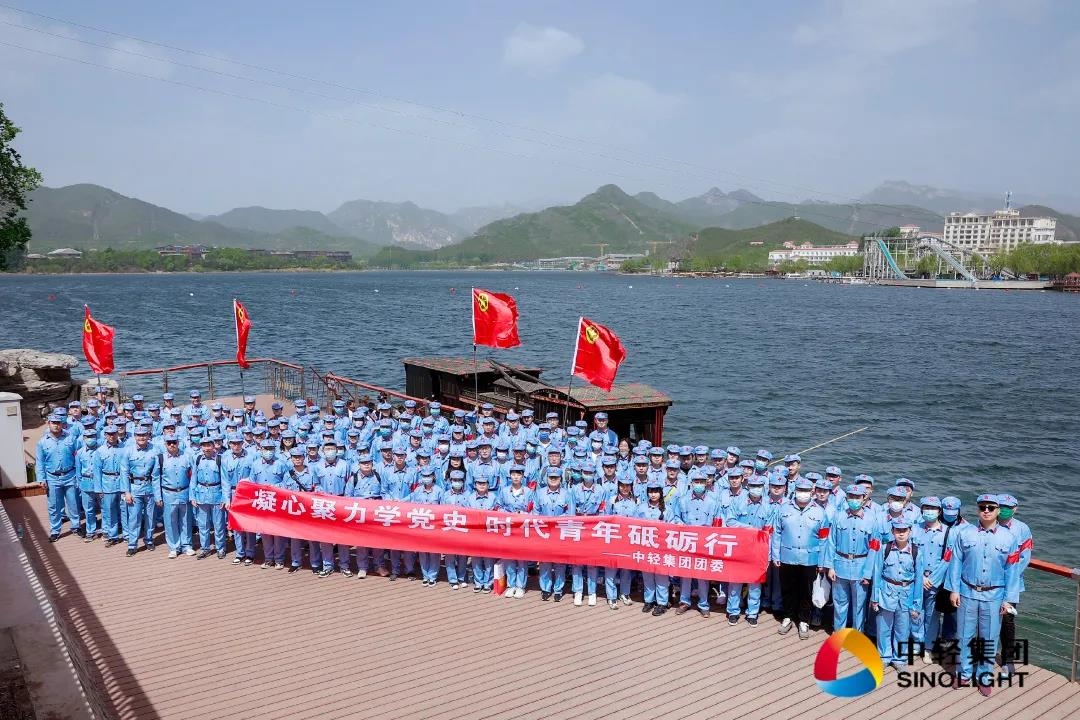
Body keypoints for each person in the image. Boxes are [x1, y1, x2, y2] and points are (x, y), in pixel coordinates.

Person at [946, 494, 1021, 696]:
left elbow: (1012, 571)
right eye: (982, 507)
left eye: (990, 507)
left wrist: (1008, 600)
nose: (986, 511)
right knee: (963, 635)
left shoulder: (1009, 538)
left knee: (989, 638)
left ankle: (984, 676)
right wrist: (954, 589)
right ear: (978, 510)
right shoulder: (964, 533)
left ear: (998, 511)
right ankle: (963, 673)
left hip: (994, 596)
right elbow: (956, 562)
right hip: (967, 592)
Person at [773, 477, 828, 640]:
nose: (802, 494)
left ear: (812, 492)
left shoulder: (820, 512)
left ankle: (804, 620)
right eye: (800, 490)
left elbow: (824, 539)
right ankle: (788, 616)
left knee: (806, 590)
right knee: (787, 588)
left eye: (806, 491)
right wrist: (775, 555)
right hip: (787, 556)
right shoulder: (783, 508)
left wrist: (822, 562)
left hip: (810, 558)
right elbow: (777, 533)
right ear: (795, 491)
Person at [821, 484, 877, 633]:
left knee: (859, 606)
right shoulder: (839, 516)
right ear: (846, 498)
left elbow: (873, 549)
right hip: (840, 565)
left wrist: (868, 573)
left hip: (861, 567)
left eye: (857, 497)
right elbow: (831, 542)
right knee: (840, 603)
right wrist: (830, 566)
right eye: (851, 496)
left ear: (864, 498)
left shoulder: (872, 520)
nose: (854, 500)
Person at [870, 518, 923, 672]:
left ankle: (899, 658)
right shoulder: (884, 549)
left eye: (904, 530)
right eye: (898, 530)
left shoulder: (916, 552)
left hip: (906, 595)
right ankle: (884, 656)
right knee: (884, 628)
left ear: (910, 532)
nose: (901, 534)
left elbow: (919, 580)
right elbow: (877, 574)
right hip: (887, 593)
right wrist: (875, 598)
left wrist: (916, 604)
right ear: (892, 531)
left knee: (902, 629)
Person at [674, 472, 722, 619]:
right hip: (687, 541)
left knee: (703, 575)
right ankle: (684, 601)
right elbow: (676, 516)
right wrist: (679, 523)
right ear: (691, 483)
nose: (699, 484)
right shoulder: (682, 500)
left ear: (706, 483)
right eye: (696, 481)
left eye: (702, 481)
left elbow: (718, 522)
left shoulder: (713, 501)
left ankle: (704, 604)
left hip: (704, 542)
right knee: (686, 573)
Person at [724, 476, 771, 626]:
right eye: (753, 486)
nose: (756, 489)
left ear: (763, 487)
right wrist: (748, 529)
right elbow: (729, 521)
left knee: (755, 584)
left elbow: (769, 531)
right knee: (735, 582)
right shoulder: (737, 501)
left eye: (759, 486)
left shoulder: (768, 505)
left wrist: (768, 555)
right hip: (739, 548)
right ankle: (733, 611)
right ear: (748, 486)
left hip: (758, 549)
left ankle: (752, 613)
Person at [996, 494, 1032, 676]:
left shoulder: (1022, 529)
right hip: (989, 583)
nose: (1004, 509)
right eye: (1001, 506)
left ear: (1015, 508)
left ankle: (1008, 660)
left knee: (1008, 621)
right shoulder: (987, 524)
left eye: (1008, 507)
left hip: (1012, 585)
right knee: (984, 620)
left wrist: (1009, 577)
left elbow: (1025, 557)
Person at [35, 413, 81, 542]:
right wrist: (41, 479)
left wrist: (78, 475)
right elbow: (40, 462)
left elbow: (78, 457)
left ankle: (76, 526)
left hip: (70, 475)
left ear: (62, 424)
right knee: (54, 506)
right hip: (52, 478)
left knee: (73, 503)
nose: (56, 425)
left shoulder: (70, 438)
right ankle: (55, 530)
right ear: (48, 424)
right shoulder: (42, 442)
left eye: (58, 423)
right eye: (53, 423)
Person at [533, 467, 573, 601]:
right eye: (551, 477)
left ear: (561, 479)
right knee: (545, 562)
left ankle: (558, 590)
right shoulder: (539, 493)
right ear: (547, 478)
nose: (553, 480)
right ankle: (545, 588)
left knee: (559, 563)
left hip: (560, 532)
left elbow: (570, 514)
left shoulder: (567, 494)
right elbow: (535, 512)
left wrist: (558, 520)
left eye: (556, 478)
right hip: (544, 532)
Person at [637, 480, 675, 615]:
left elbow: (672, 528)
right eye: (651, 492)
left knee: (661, 577)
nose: (653, 494)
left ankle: (662, 602)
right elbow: (635, 525)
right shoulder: (641, 508)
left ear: (661, 493)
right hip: (646, 547)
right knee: (647, 576)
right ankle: (649, 600)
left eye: (656, 492)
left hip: (661, 549)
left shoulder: (667, 510)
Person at [570, 465, 606, 607]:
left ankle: (592, 592)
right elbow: (571, 509)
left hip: (593, 527)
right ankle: (578, 591)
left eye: (590, 473)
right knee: (577, 562)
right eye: (585, 472)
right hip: (578, 526)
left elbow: (603, 510)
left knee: (592, 563)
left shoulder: (601, 490)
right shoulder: (575, 489)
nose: (588, 475)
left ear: (595, 474)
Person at [121, 427, 160, 555]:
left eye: (144, 435)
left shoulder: (154, 450)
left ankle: (149, 540)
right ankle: (132, 544)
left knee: (150, 516)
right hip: (134, 488)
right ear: (135, 436)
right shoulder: (128, 451)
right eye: (139, 435)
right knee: (134, 517)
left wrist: (157, 495)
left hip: (150, 487)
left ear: (148, 436)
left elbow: (156, 474)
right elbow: (124, 472)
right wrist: (126, 492)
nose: (141, 437)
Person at [496, 465, 534, 598]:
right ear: (510, 476)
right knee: (509, 557)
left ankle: (520, 586)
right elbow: (498, 507)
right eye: (513, 474)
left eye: (518, 474)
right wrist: (508, 514)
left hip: (523, 528)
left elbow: (533, 510)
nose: (516, 477)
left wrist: (522, 514)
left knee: (522, 558)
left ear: (522, 476)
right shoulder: (504, 491)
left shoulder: (529, 492)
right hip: (508, 527)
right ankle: (511, 585)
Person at [157, 435, 195, 558]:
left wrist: (192, 494)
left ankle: (186, 545)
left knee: (186, 520)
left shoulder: (187, 456)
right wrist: (158, 496)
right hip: (168, 494)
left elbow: (193, 476)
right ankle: (174, 547)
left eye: (174, 442)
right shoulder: (160, 458)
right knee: (170, 521)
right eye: (169, 443)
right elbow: (156, 478)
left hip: (184, 492)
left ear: (178, 443)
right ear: (165, 444)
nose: (172, 445)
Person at [191, 437, 227, 560]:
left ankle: (220, 548)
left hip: (216, 495)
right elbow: (193, 479)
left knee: (218, 525)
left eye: (208, 445)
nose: (206, 448)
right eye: (204, 446)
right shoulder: (198, 459)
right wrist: (192, 496)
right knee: (203, 525)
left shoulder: (220, 459)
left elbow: (225, 481)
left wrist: (224, 498)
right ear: (201, 447)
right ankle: (205, 548)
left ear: (213, 446)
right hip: (201, 495)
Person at [605, 477, 639, 609]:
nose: (625, 488)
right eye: (622, 485)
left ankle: (625, 593)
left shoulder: (636, 500)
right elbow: (606, 518)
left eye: (628, 485)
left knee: (626, 569)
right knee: (611, 569)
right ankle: (611, 596)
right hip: (614, 538)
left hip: (629, 539)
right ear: (618, 485)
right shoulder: (612, 500)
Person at [221, 433, 254, 565]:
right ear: (229, 444)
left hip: (247, 493)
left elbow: (253, 477)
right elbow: (225, 481)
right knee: (236, 525)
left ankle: (250, 553)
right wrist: (227, 499)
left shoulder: (251, 457)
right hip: (233, 493)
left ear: (242, 443)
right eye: (233, 443)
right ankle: (240, 553)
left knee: (249, 525)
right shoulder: (225, 458)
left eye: (239, 443)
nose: (236, 446)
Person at [409, 467, 445, 585]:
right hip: (421, 525)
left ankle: (433, 576)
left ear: (433, 477)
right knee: (423, 551)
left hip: (434, 526)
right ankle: (425, 575)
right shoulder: (418, 490)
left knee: (434, 552)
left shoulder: (439, 491)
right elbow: (411, 505)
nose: (426, 478)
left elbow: (443, 508)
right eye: (424, 476)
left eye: (429, 476)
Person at [442, 470, 472, 589]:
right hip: (449, 527)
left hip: (463, 527)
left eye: (459, 480)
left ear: (463, 482)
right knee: (450, 554)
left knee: (462, 555)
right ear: (450, 481)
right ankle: (452, 579)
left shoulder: (468, 495)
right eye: (454, 480)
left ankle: (461, 577)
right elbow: (440, 511)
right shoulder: (445, 495)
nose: (457, 482)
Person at [75, 426, 101, 542]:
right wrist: (80, 484)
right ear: (84, 438)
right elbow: (78, 471)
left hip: (100, 482)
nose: (90, 439)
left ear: (96, 437)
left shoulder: (101, 450)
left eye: (92, 436)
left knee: (104, 508)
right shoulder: (79, 453)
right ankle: (91, 531)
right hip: (86, 482)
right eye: (88, 437)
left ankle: (106, 530)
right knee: (88, 509)